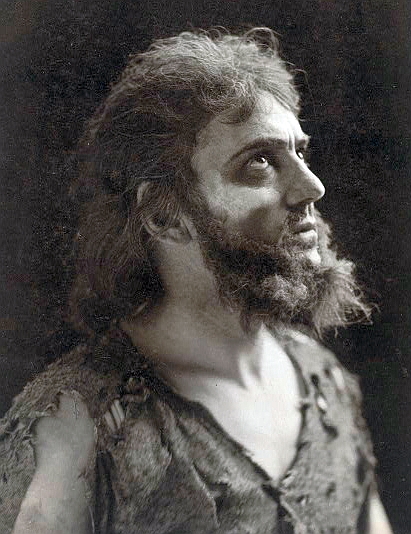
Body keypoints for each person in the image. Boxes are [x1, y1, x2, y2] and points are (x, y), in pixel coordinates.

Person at [0, 28, 392, 533]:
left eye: (301, 153)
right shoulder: (77, 425)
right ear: (163, 216)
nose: (311, 187)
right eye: (260, 161)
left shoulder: (324, 380)